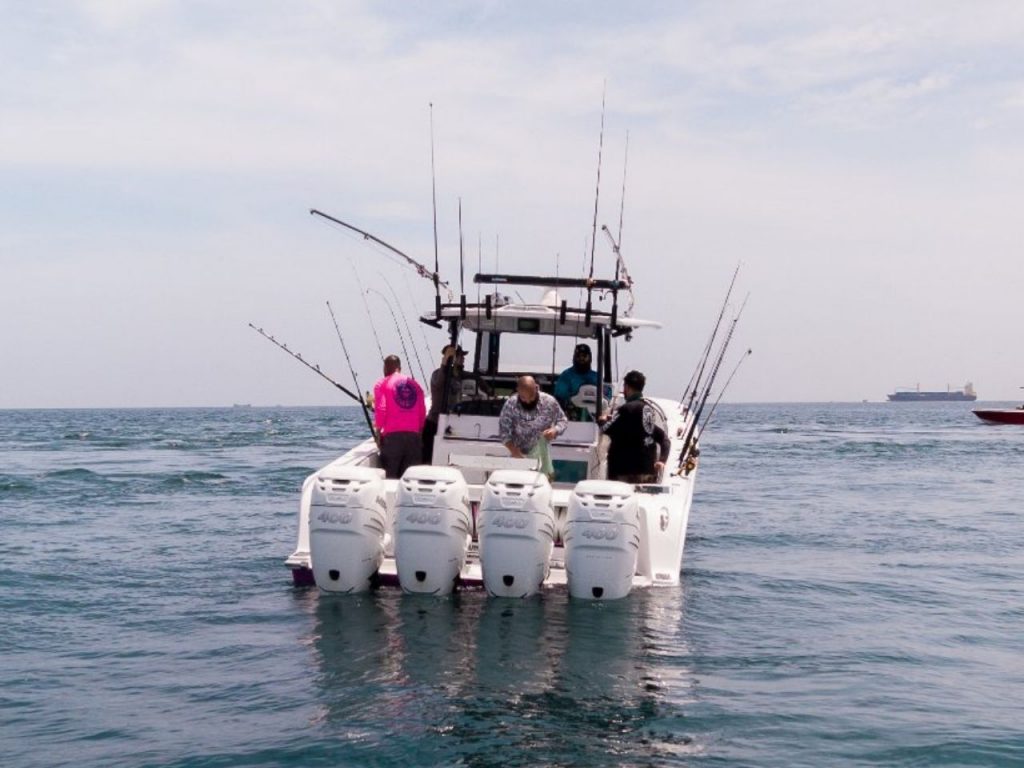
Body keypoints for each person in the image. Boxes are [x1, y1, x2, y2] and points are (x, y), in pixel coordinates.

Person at [599, 370, 670, 484]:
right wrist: (662, 461)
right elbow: (664, 439)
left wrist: (602, 420)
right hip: (647, 473)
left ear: (627, 387)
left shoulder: (625, 409)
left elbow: (605, 428)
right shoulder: (648, 410)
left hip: (624, 473)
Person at [499, 375, 568, 477]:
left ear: (536, 388)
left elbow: (563, 420)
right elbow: (504, 433)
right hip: (518, 455)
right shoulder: (510, 404)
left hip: (542, 455)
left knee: (543, 483)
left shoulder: (549, 402)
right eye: (523, 398)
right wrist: (514, 451)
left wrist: (555, 430)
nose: (527, 401)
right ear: (518, 391)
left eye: (531, 397)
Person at [372, 355, 426, 479]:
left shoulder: (382, 384)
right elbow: (422, 412)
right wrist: (419, 433)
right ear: (399, 368)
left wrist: (378, 432)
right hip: (414, 438)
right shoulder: (415, 385)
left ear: (385, 368)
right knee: (410, 479)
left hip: (393, 439)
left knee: (390, 478)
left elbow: (381, 409)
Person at [422, 344, 464, 464]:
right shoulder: (438, 374)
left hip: (451, 424)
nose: (463, 359)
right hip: (434, 423)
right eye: (460, 357)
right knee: (428, 458)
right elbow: (438, 383)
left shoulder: (458, 376)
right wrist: (445, 362)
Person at [553, 343, 600, 413]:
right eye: (578, 356)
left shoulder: (596, 376)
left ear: (590, 358)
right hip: (571, 414)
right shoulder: (566, 375)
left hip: (594, 415)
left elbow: (605, 397)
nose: (581, 359)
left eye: (584, 356)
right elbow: (559, 397)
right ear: (574, 357)